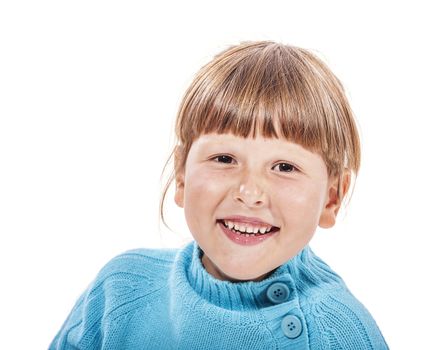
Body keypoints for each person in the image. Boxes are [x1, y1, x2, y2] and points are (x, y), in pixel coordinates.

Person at [50, 40, 389, 349]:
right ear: (181, 175)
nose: (250, 192)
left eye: (285, 167)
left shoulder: (342, 334)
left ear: (332, 198)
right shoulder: (119, 291)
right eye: (225, 159)